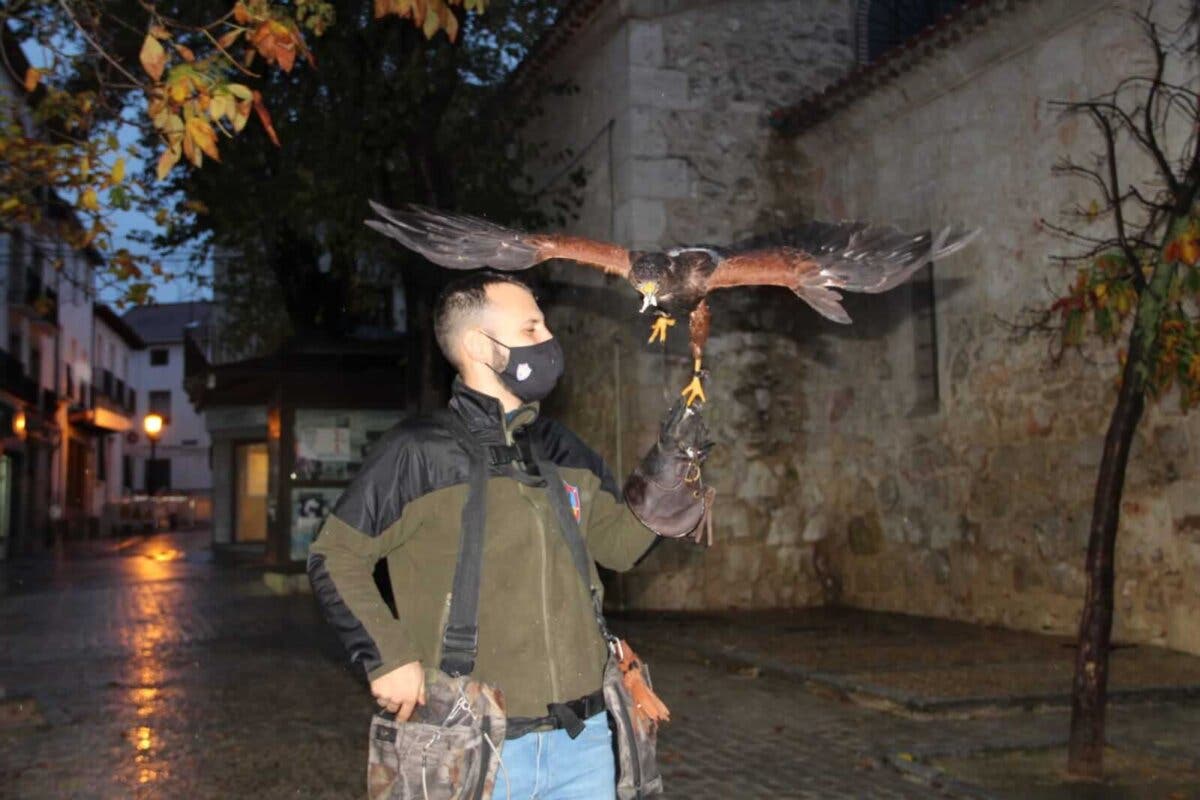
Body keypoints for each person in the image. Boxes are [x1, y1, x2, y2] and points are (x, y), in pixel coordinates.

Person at [307, 271, 710, 799]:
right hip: (474, 750)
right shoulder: (417, 452)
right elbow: (335, 554)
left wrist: (671, 465)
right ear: (479, 345)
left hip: (584, 739)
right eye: (531, 328)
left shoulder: (560, 447)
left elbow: (621, 545)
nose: (548, 341)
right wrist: (388, 655)